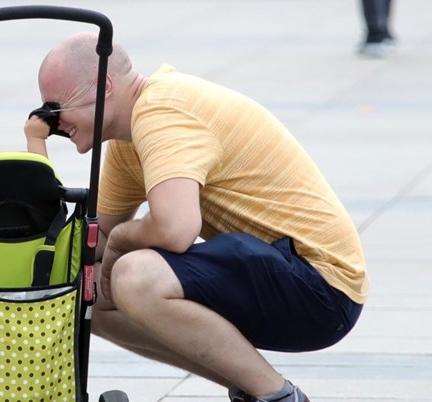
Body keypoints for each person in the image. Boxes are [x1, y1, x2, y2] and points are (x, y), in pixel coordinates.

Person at [24, 32, 368, 402]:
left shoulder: (163, 113)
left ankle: (277, 397)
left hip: (321, 289)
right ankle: (254, 390)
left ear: (105, 86)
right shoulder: (129, 140)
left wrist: (124, 239)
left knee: (135, 276)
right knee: (87, 292)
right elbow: (98, 242)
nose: (51, 120)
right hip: (283, 273)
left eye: (56, 107)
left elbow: (175, 230)